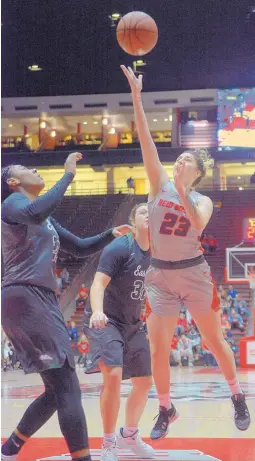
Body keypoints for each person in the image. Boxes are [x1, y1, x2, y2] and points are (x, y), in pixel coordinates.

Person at [121, 65, 251, 438]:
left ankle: (237, 395)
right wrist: (136, 96)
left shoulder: (202, 199)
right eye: (178, 159)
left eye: (186, 162)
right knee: (158, 349)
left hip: (194, 274)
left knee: (215, 340)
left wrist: (180, 191)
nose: (179, 162)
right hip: (159, 274)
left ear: (198, 172)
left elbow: (197, 225)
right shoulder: (158, 182)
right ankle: (165, 408)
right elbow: (146, 137)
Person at [1, 153, 132, 461]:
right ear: (13, 182)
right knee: (69, 385)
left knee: (56, 390)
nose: (34, 168)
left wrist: (109, 235)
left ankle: (9, 450)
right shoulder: (13, 204)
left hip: (32, 299)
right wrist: (68, 176)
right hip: (28, 296)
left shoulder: (41, 217)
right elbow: (35, 210)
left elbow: (80, 246)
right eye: (26, 168)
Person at [84, 203, 154, 461]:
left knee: (145, 382)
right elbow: (98, 284)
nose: (149, 215)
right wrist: (98, 312)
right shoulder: (119, 248)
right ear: (134, 224)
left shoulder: (158, 251)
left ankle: (130, 434)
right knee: (112, 376)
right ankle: (108, 442)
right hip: (107, 320)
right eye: (143, 212)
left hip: (134, 323)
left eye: (152, 211)